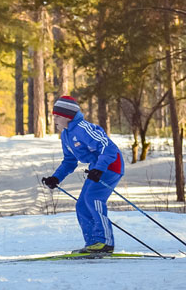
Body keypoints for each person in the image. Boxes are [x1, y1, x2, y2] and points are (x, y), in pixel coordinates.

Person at [40, 96, 124, 254]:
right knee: (82, 205)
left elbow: (109, 147)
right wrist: (56, 177)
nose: (55, 119)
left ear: (67, 116)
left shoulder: (83, 128)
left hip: (111, 166)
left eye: (57, 116)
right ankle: (92, 243)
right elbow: (69, 161)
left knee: (93, 199)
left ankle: (105, 242)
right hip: (97, 167)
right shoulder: (65, 135)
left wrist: (99, 168)